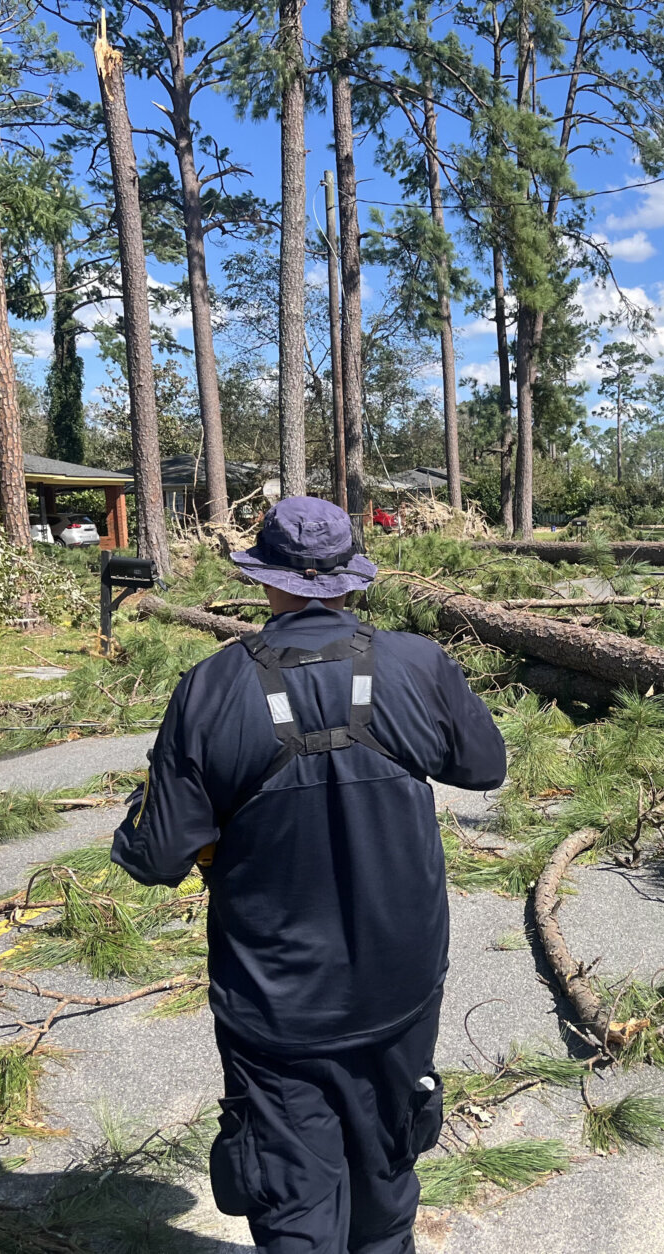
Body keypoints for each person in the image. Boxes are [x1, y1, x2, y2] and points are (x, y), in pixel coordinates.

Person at [112, 496, 507, 1254]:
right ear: (353, 578)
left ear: (266, 579)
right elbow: (484, 766)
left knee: (294, 1198)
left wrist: (146, 815)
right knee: (388, 1176)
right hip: (403, 986)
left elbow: (157, 855)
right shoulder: (418, 664)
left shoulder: (210, 688)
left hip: (277, 1005)